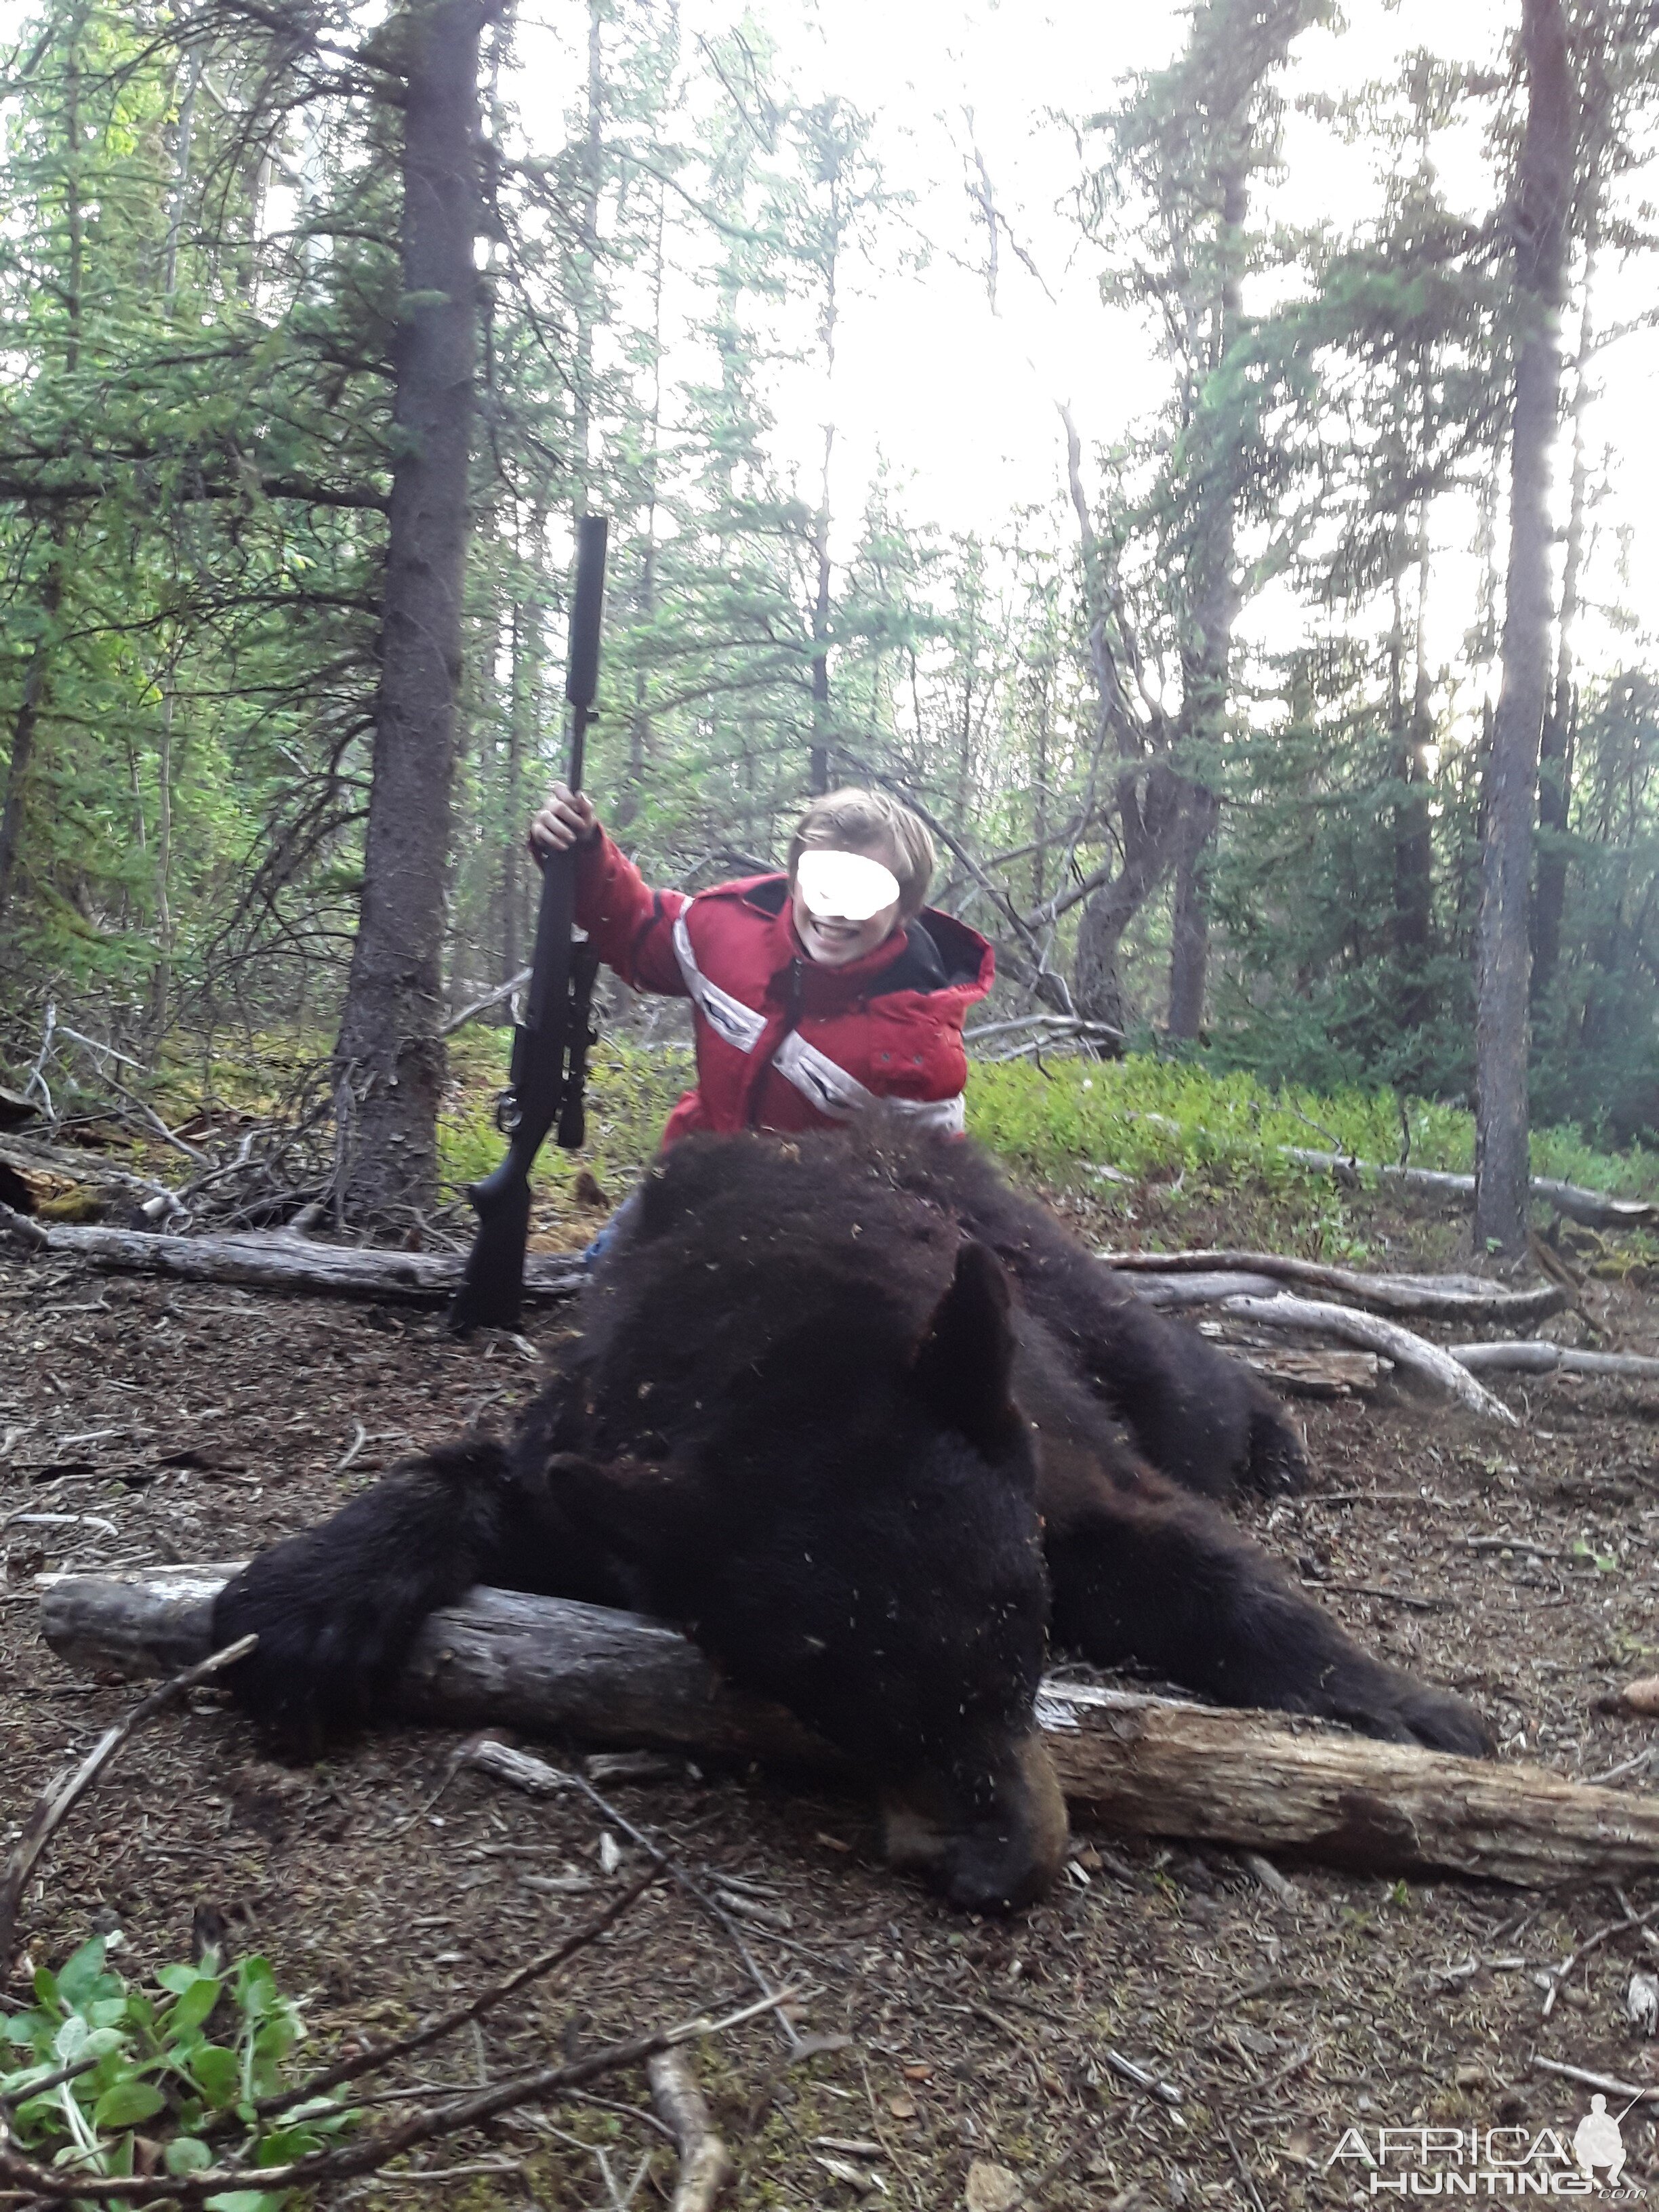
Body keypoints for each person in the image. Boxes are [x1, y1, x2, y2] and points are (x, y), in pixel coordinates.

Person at [528, 782, 993, 1149]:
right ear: (794, 880)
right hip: (693, 1182)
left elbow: (938, 1183)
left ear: (905, 910)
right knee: (604, 1266)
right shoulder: (726, 930)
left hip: (816, 1234)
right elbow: (632, 926)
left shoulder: (917, 1039)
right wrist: (582, 850)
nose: (836, 910)